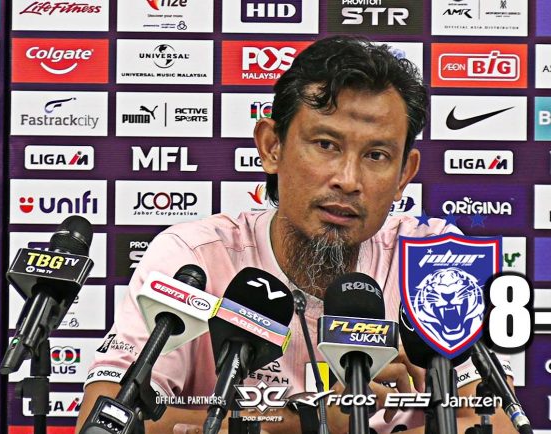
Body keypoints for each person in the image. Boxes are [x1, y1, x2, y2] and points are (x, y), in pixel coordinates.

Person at [76, 35, 515, 434]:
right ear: (272, 146)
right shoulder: (195, 257)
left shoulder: (434, 260)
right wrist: (316, 421)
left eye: (377, 155)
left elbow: (498, 423)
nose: (348, 180)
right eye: (326, 145)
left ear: (404, 174)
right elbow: (106, 419)